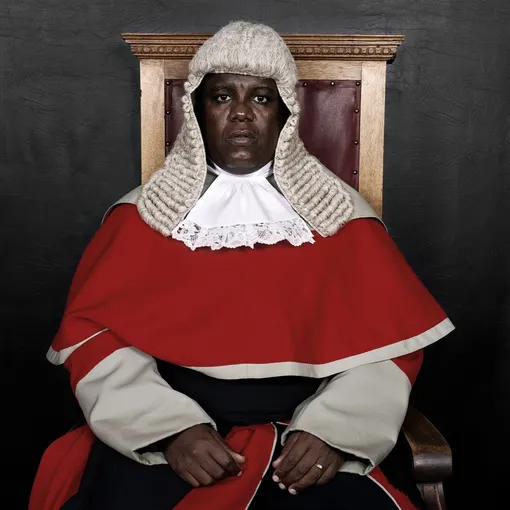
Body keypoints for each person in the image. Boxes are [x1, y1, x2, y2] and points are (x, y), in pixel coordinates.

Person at [29, 21, 454, 510]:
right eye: (222, 97)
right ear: (197, 111)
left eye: (262, 98)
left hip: (302, 438)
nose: (241, 114)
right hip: (174, 440)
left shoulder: (344, 218)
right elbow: (93, 338)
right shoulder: (140, 217)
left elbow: (391, 346)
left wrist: (334, 431)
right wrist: (167, 429)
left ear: (286, 113)